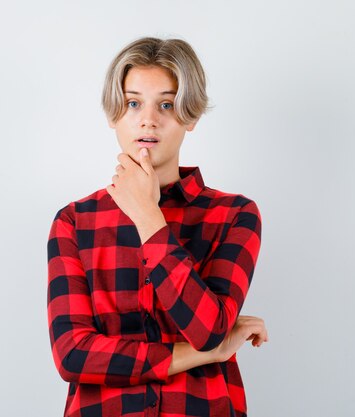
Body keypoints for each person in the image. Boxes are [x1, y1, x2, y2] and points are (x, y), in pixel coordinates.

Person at [46, 36, 269, 417]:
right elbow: (74, 355)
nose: (148, 119)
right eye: (133, 103)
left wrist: (149, 217)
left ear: (192, 115)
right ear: (113, 114)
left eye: (166, 104)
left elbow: (208, 329)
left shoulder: (234, 215)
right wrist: (203, 355)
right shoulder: (74, 221)